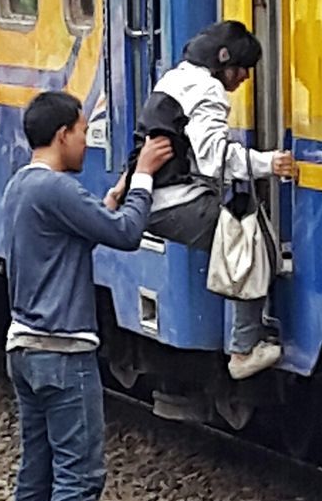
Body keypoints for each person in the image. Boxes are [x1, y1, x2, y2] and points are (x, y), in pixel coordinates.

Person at [1, 90, 172, 501]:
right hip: (63, 351)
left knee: (38, 470)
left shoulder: (22, 186)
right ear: (60, 136)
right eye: (80, 131)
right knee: (80, 473)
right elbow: (123, 235)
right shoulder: (56, 188)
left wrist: (116, 196)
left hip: (24, 347)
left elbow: (89, 223)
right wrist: (144, 176)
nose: (84, 140)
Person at [108, 20, 295, 381]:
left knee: (235, 231)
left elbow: (148, 143)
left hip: (153, 196)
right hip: (171, 200)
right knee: (244, 236)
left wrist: (121, 190)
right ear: (223, 60)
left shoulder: (174, 79)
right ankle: (244, 348)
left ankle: (247, 332)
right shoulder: (207, 90)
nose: (243, 78)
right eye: (241, 69)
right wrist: (269, 163)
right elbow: (215, 157)